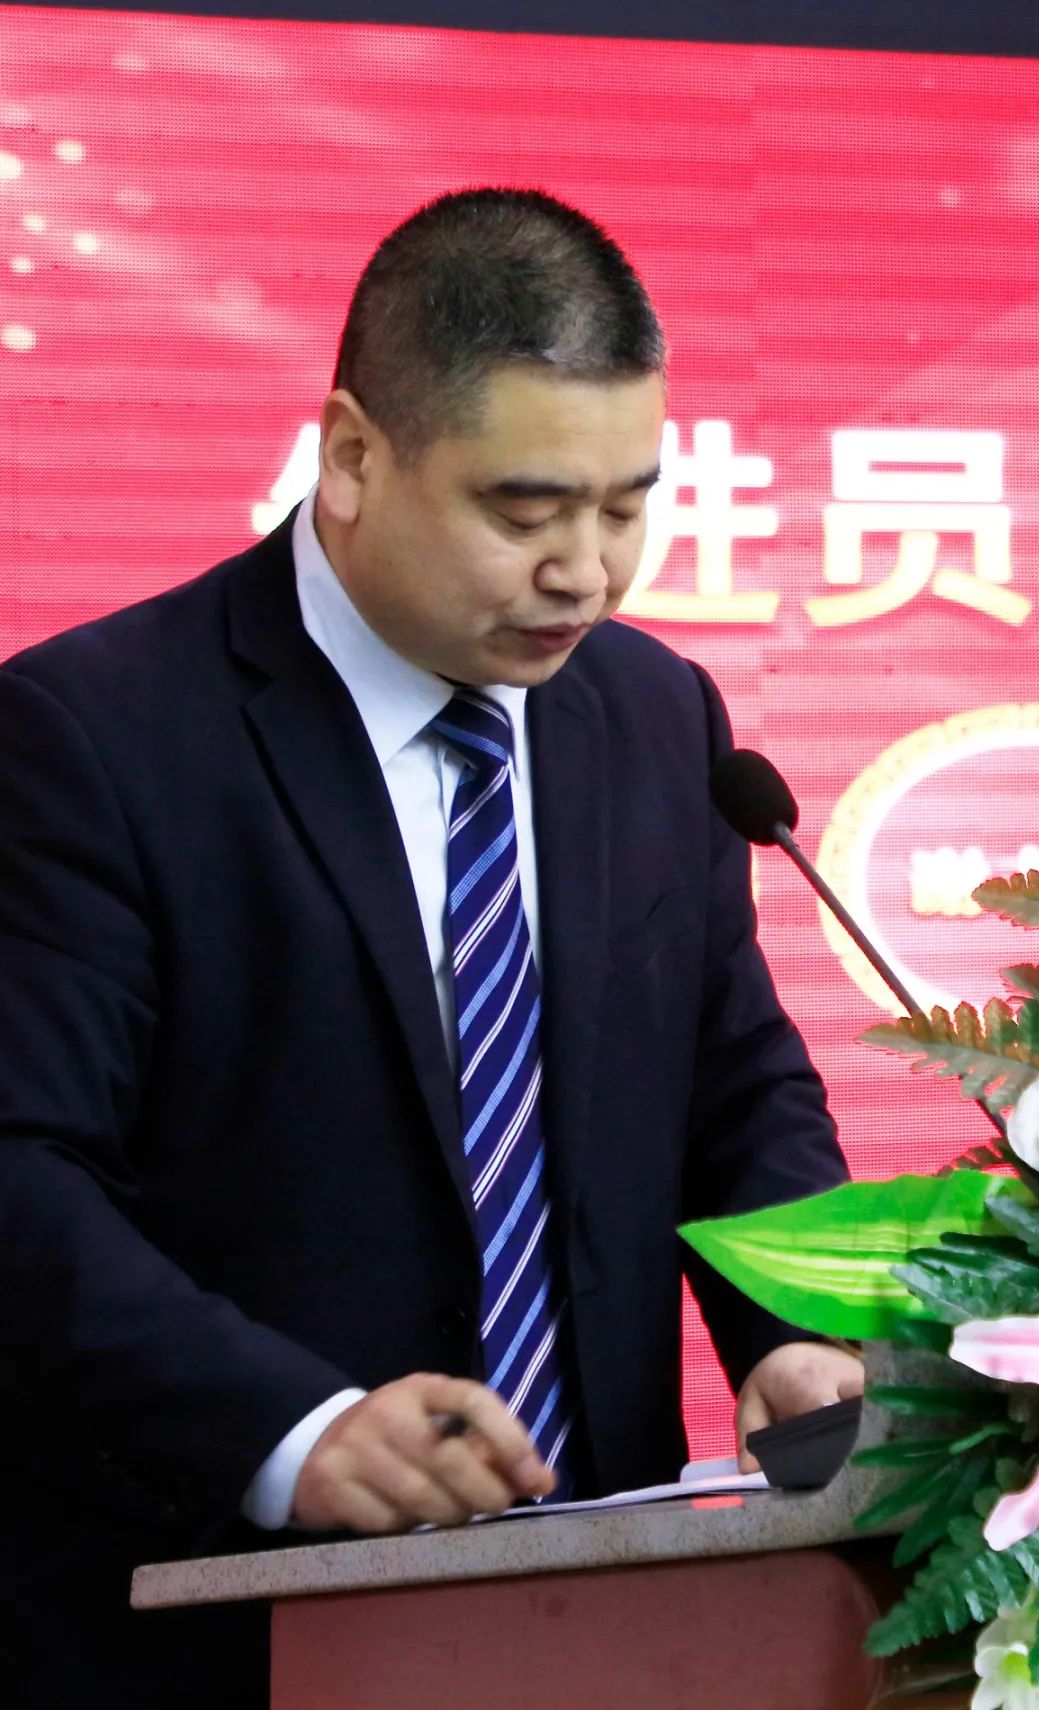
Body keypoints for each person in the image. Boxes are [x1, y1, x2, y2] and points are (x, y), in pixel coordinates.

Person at [0, 188, 861, 1707]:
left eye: (626, 507)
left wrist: (796, 1331)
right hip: (223, 1626)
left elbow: (732, 1081)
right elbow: (23, 1170)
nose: (585, 572)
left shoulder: (655, 715)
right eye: (524, 514)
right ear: (350, 456)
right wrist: (293, 1429)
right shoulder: (93, 737)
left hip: (618, 1603)